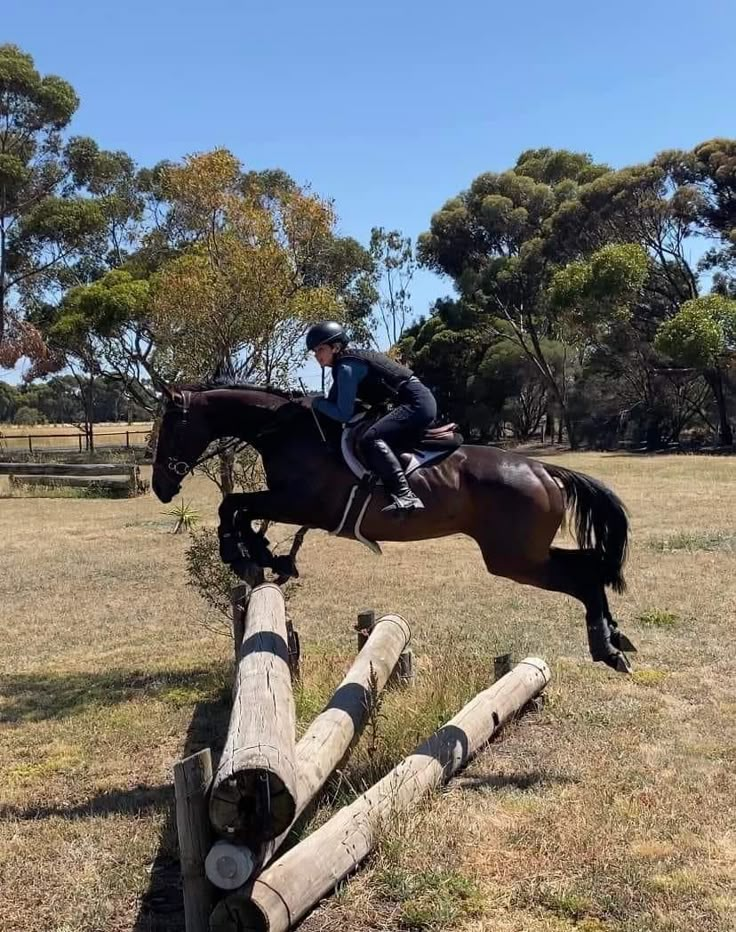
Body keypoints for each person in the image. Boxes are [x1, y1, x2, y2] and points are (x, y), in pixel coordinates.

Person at [305, 320, 437, 514]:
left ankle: (405, 495)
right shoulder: (344, 365)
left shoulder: (345, 368)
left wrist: (314, 402)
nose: (317, 356)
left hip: (416, 402)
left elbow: (343, 413)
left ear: (336, 347)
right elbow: (333, 402)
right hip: (409, 402)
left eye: (320, 349)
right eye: (314, 351)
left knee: (370, 437)